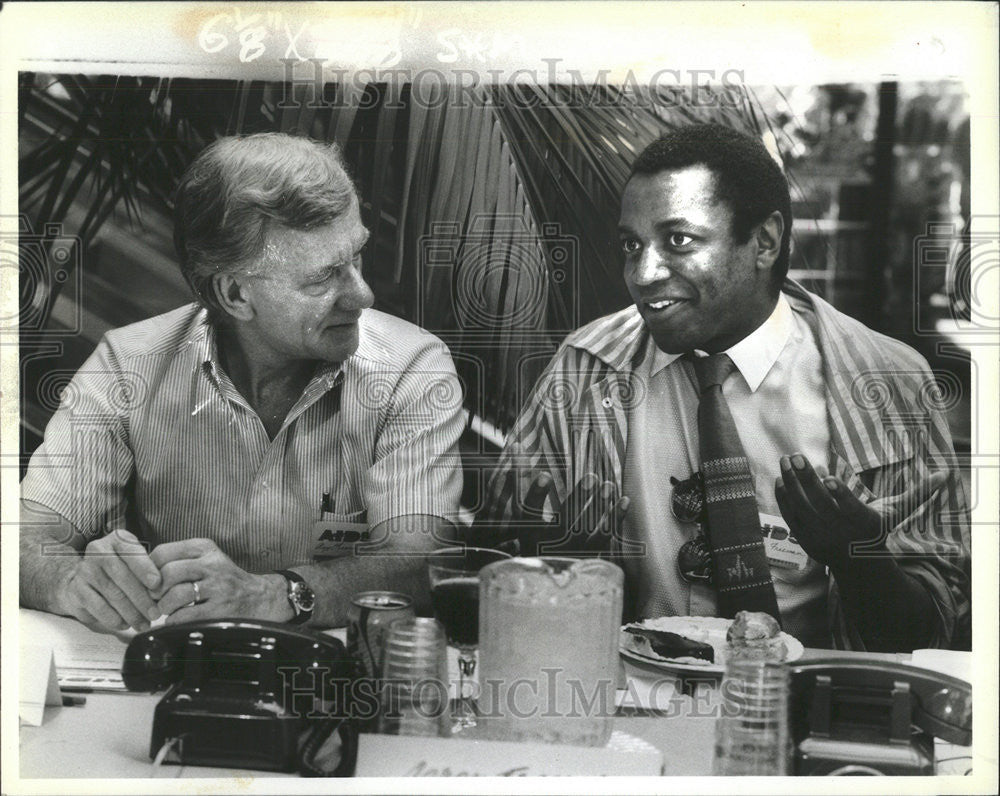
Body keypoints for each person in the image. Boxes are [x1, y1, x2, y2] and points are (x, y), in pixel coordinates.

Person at [484, 123, 970, 652]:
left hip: (805, 712)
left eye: (679, 240)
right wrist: (556, 567)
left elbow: (934, 630)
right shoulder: (581, 371)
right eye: (631, 244)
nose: (643, 273)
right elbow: (493, 569)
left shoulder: (888, 380)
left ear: (763, 242)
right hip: (627, 707)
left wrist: (861, 561)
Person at [20, 133, 465, 632]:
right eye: (324, 277)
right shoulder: (128, 367)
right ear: (234, 294)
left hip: (334, 684)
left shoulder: (412, 368)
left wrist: (272, 595)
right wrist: (69, 580)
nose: (362, 294)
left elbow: (419, 564)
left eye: (355, 257)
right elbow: (23, 539)